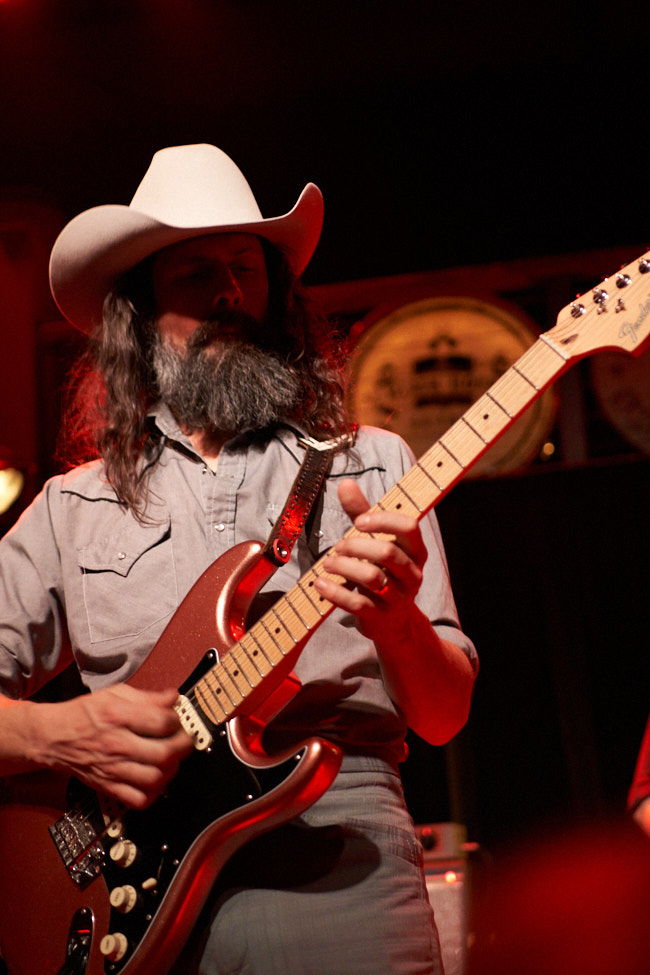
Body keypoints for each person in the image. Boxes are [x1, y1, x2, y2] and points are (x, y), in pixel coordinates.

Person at [0, 144, 478, 975]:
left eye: (244, 270)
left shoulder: (372, 465)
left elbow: (442, 716)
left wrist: (397, 621)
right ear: (138, 311)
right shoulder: (71, 507)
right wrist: (60, 731)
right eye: (195, 274)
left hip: (341, 852)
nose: (227, 292)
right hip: (130, 886)